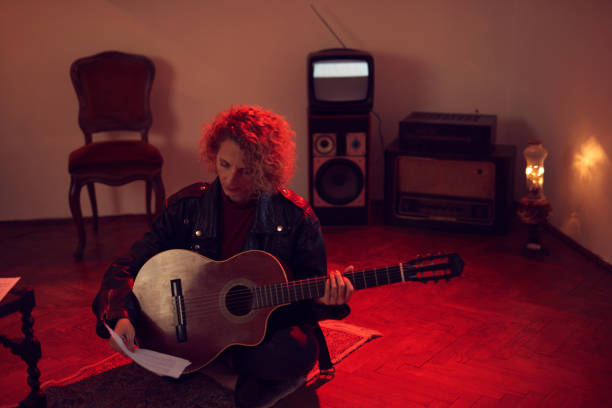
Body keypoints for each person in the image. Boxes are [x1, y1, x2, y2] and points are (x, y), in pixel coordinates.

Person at [92, 105, 355, 408]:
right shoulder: (187, 208)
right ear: (213, 156)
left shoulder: (297, 217)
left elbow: (303, 303)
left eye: (245, 170)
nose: (231, 179)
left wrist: (326, 302)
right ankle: (221, 370)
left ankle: (207, 366)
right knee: (154, 338)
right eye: (224, 164)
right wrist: (120, 317)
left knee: (297, 351)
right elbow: (127, 266)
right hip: (193, 325)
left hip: (260, 331)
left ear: (266, 168)